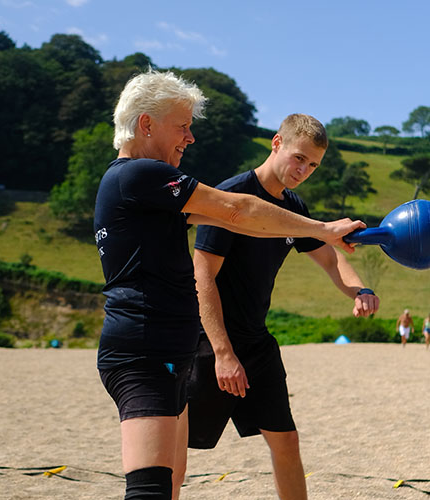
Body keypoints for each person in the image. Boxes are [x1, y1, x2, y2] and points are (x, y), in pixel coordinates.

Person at [93, 71, 366, 500]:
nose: (191, 137)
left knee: (164, 482)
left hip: (166, 348)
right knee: (151, 489)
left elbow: (251, 223)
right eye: (182, 126)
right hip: (146, 350)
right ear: (146, 124)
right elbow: (237, 210)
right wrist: (324, 227)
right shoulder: (139, 175)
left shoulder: (149, 190)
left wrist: (324, 239)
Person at [185, 114, 380, 500]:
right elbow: (202, 277)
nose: (303, 170)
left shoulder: (293, 207)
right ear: (276, 143)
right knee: (175, 445)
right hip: (209, 341)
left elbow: (330, 257)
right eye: (298, 158)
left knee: (286, 442)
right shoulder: (230, 196)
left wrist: (361, 290)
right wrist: (223, 354)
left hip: (256, 342)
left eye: (313, 165)